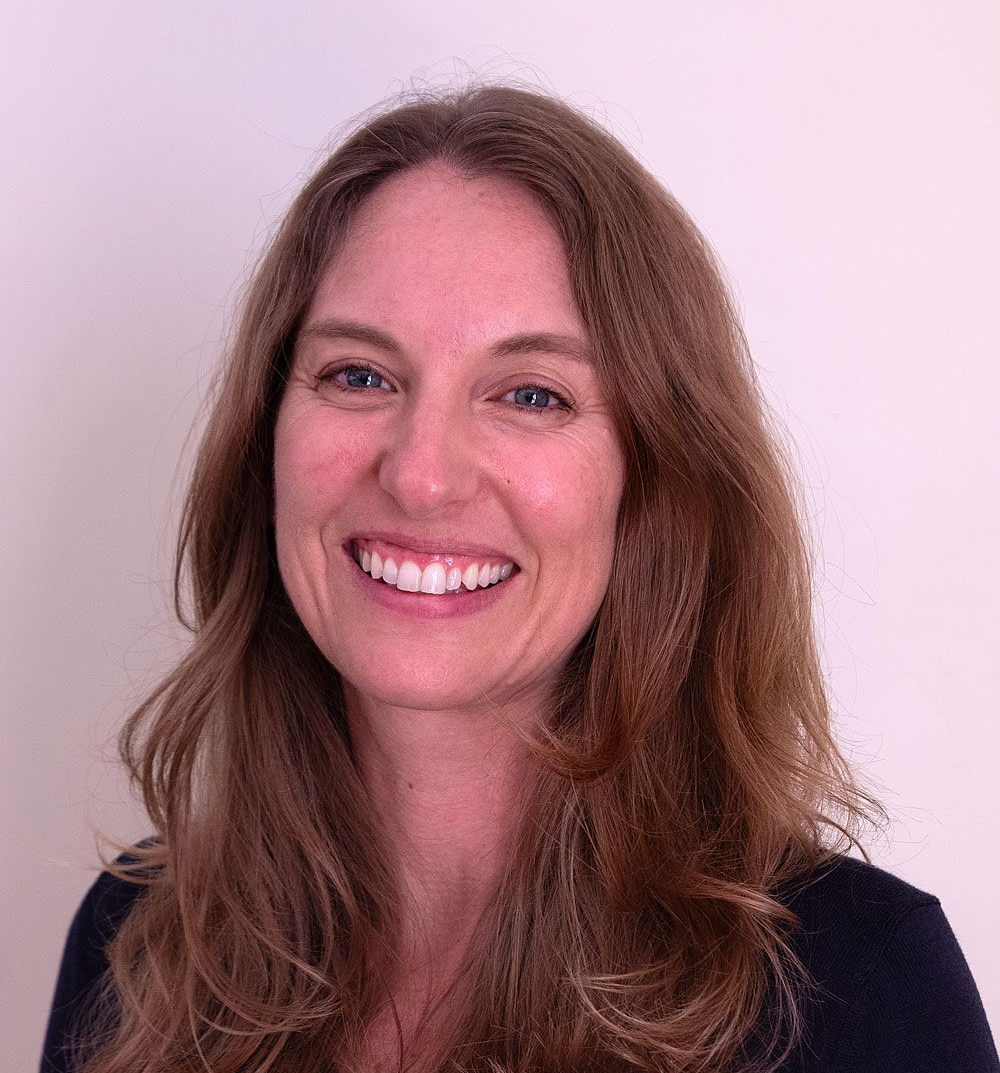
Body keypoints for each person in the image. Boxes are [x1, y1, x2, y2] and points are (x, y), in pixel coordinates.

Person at [41, 83, 998, 1073]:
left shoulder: (854, 991)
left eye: (530, 394)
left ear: (654, 485)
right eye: (358, 374)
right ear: (264, 444)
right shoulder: (137, 945)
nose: (421, 474)